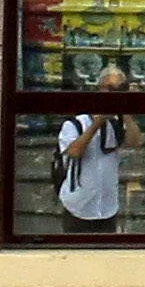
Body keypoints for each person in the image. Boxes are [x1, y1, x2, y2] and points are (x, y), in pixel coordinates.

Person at [54, 73, 129, 234]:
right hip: (79, 206)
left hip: (107, 208)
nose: (115, 95)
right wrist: (98, 123)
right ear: (100, 90)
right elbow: (74, 152)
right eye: (112, 89)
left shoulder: (116, 124)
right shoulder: (75, 123)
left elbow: (135, 141)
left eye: (120, 90)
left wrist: (127, 113)